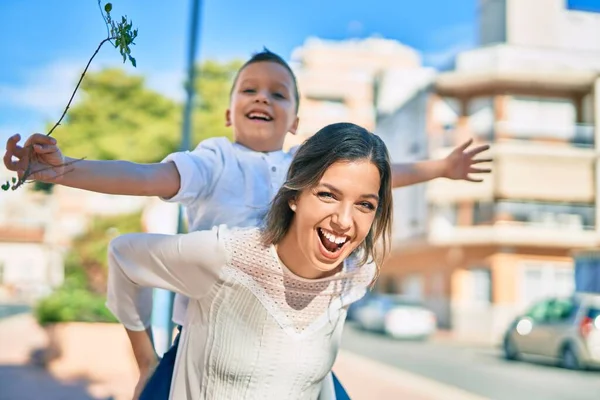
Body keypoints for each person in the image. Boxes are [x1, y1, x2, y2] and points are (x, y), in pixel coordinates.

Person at [3, 49, 491, 398]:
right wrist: (65, 171)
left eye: (278, 93)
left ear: (296, 119)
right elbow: (146, 177)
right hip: (213, 319)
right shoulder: (216, 160)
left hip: (290, 320)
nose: (263, 97)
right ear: (228, 112)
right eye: (250, 89)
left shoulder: (305, 168)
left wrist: (441, 169)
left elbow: (376, 177)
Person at [106, 122, 392, 399]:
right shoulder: (226, 256)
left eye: (365, 205)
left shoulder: (355, 275)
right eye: (327, 195)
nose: (344, 221)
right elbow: (124, 256)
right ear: (295, 195)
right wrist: (146, 364)